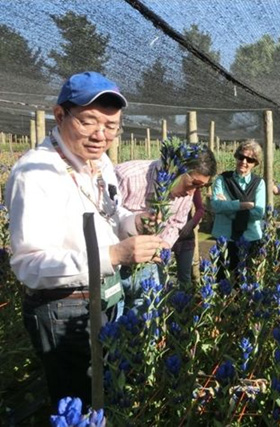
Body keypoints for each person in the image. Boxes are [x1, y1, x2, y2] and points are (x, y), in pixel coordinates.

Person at [5, 71, 166, 408]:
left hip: (105, 299)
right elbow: (29, 266)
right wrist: (115, 256)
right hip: (62, 308)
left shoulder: (100, 162)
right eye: (89, 122)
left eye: (111, 126)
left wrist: (135, 222)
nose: (100, 135)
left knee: (104, 395)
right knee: (77, 400)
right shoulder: (34, 173)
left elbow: (112, 214)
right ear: (60, 114)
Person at [115, 146, 216, 296]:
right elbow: (103, 220)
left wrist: (164, 245)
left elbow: (176, 222)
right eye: (194, 183)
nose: (191, 193)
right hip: (117, 264)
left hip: (149, 265)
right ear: (177, 169)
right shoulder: (126, 177)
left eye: (201, 187)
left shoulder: (187, 194)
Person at [211, 140, 266, 276]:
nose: (244, 162)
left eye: (250, 159)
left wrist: (228, 207)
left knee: (248, 282)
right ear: (236, 157)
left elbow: (259, 212)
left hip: (251, 237)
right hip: (225, 238)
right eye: (241, 157)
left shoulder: (259, 183)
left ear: (255, 163)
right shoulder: (222, 179)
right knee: (222, 278)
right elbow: (216, 206)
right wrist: (243, 205)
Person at [172, 188, 205, 285]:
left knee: (185, 277)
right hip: (165, 234)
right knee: (160, 275)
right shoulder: (168, 183)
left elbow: (200, 209)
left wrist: (192, 223)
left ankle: (186, 298)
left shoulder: (193, 187)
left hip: (185, 235)